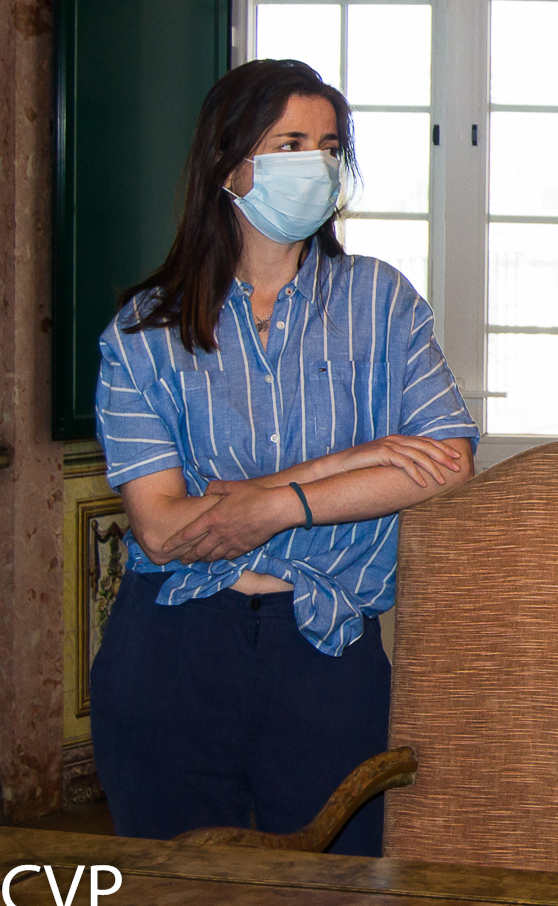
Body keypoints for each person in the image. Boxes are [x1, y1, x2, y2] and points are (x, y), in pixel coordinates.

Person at [92, 59, 479, 854]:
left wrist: (272, 505)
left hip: (327, 644)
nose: (318, 165)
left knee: (338, 896)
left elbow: (448, 460)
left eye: (330, 147)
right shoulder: (143, 330)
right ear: (228, 165)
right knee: (178, 895)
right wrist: (350, 461)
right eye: (291, 144)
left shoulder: (381, 301)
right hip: (173, 647)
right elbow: (162, 530)